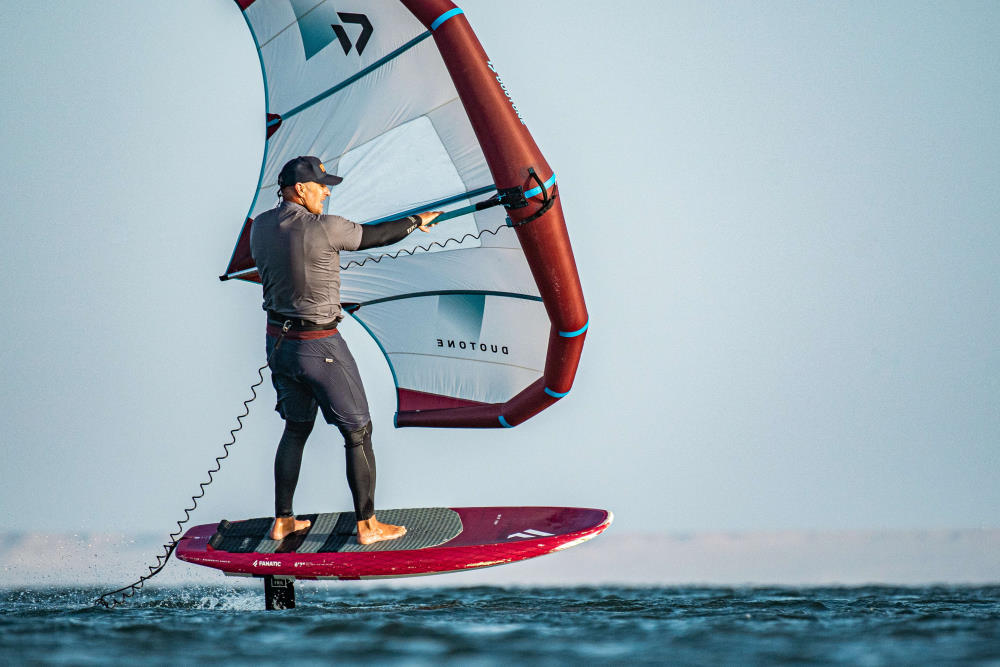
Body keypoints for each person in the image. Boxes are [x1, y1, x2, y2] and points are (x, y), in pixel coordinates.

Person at [249, 156, 441, 544]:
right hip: (320, 348)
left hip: (279, 345)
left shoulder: (260, 227)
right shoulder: (325, 227)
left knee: (296, 428)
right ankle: (368, 525)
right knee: (358, 432)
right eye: (321, 185)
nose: (326, 191)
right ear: (299, 189)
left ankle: (283, 520)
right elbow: (376, 236)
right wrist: (416, 221)